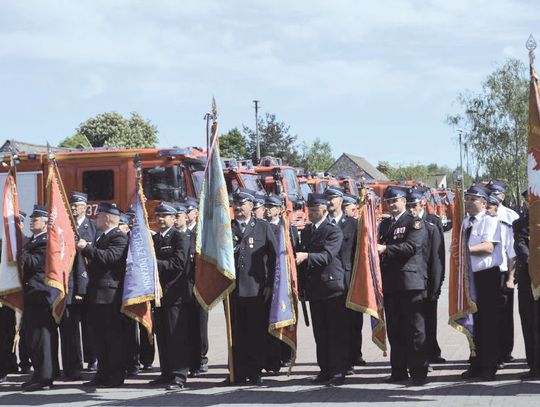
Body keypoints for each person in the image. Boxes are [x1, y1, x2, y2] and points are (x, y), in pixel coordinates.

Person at [296, 193, 350, 387]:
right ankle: (325, 370)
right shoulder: (307, 231)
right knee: (320, 333)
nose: (310, 213)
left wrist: (306, 256)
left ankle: (338, 371)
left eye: (315, 209)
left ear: (325, 210)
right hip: (315, 289)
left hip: (332, 287)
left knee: (335, 332)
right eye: (309, 209)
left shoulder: (332, 231)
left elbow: (327, 256)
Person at [378, 186, 428, 386]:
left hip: (410, 284)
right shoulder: (385, 225)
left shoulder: (414, 222)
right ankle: (398, 371)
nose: (391, 205)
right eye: (388, 202)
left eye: (395, 201)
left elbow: (411, 247)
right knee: (395, 330)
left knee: (415, 330)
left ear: (404, 201)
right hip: (391, 285)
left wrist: (385, 249)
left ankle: (418, 372)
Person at [77, 203, 129, 388]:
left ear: (107, 218)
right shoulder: (102, 237)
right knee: (99, 337)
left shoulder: (118, 237)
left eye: (98, 216)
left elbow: (109, 258)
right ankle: (102, 374)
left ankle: (115, 377)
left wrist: (86, 248)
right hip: (97, 294)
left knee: (112, 338)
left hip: (110, 295)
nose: (95, 219)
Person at [230, 188, 277, 385]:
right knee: (236, 333)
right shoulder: (226, 227)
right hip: (231, 290)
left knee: (255, 332)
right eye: (236, 204)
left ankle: (255, 371)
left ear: (251, 206)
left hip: (256, 289)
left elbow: (274, 258)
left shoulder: (263, 227)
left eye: (242, 204)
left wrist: (269, 284)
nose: (239, 208)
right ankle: (237, 372)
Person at [460, 184, 503, 381]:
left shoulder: (490, 220)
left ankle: (489, 366)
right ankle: (475, 363)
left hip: (486, 277)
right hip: (470, 277)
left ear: (484, 203)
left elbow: (487, 247)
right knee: (473, 322)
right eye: (467, 198)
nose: (468, 202)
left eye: (472, 199)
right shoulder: (465, 222)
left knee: (489, 322)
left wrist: (463, 252)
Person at [149, 202, 191, 390]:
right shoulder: (155, 239)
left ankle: (179, 375)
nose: (161, 219)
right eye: (158, 216)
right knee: (163, 336)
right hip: (159, 296)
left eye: (165, 216)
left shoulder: (180, 237)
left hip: (175, 296)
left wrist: (154, 263)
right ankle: (166, 373)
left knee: (176, 336)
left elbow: (178, 264)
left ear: (174, 219)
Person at [324, 187, 365, 372]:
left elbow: (359, 253)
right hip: (329, 281)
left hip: (349, 279)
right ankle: (341, 361)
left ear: (341, 200)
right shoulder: (322, 225)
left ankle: (354, 355)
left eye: (332, 198)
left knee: (353, 322)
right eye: (327, 198)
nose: (329, 201)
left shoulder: (353, 225)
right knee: (334, 324)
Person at [20, 205, 58, 391]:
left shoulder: (46, 241)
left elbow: (34, 264)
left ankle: (45, 377)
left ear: (45, 223)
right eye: (31, 219)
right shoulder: (32, 241)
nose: (31, 221)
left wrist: (17, 247)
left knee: (42, 339)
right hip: (30, 294)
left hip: (40, 294)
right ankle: (38, 374)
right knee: (32, 339)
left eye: (35, 219)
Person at [58, 192, 95, 381]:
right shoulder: (64, 227)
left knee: (90, 326)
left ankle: (93, 358)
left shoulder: (93, 227)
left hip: (88, 284)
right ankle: (73, 366)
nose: (74, 207)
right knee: (70, 328)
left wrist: (83, 288)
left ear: (85, 206)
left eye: (78, 204)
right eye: (72, 204)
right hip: (68, 285)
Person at [406, 189, 445, 369]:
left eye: (414, 205)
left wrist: (437, 284)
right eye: (408, 206)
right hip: (412, 279)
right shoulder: (406, 222)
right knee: (414, 323)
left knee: (429, 319)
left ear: (422, 203)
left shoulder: (433, 221)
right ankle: (420, 356)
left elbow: (438, 256)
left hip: (428, 277)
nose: (411, 209)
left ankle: (432, 352)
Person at [486, 180, 518, 365]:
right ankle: (491, 351)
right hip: (485, 271)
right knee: (488, 314)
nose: (491, 196)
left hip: (504, 271)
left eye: (495, 193)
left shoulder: (510, 215)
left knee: (504, 313)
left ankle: (505, 351)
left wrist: (512, 277)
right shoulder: (483, 214)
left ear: (503, 196)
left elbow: (513, 249)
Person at [183, 197, 210, 377]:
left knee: (200, 325)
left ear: (196, 213)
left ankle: (201, 359)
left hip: (199, 286)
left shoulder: (201, 235)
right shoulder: (181, 234)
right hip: (184, 287)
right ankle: (189, 360)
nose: (186, 215)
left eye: (189, 211)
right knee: (186, 326)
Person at [513, 191, 538, 378]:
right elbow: (520, 246)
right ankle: (535, 366)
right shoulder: (521, 223)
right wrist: (534, 262)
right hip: (528, 279)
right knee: (529, 323)